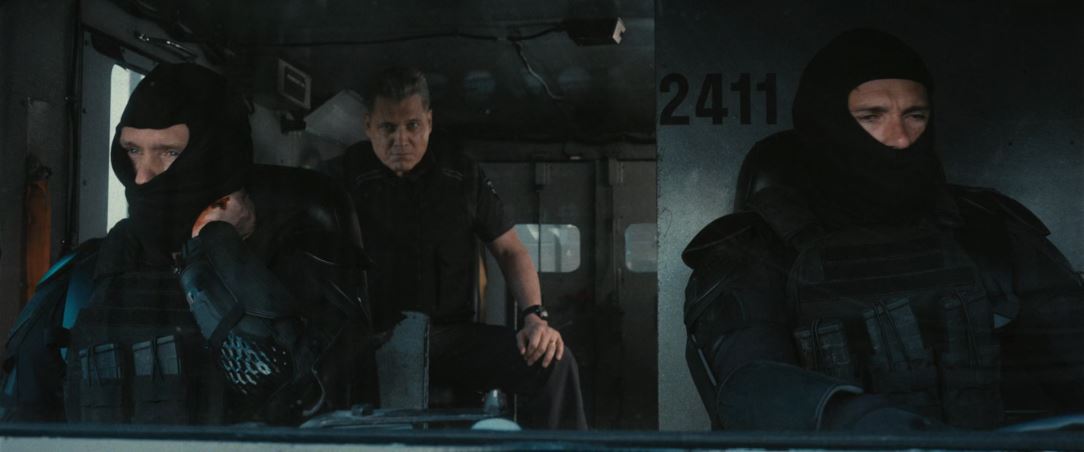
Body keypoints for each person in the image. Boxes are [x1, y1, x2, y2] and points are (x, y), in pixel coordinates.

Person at [682, 28, 1084, 431]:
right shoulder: (754, 248)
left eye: (915, 115)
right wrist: (867, 424)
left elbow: (1072, 340)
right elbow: (751, 386)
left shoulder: (987, 228)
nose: (901, 139)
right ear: (827, 122)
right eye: (872, 117)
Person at [1, 63, 374, 425]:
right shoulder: (81, 277)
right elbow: (19, 424)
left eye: (169, 152)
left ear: (215, 156)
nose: (142, 177)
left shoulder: (301, 263)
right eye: (133, 150)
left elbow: (313, 403)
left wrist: (217, 251)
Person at [323, 66, 587, 430]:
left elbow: (510, 250)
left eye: (412, 125)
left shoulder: (462, 176)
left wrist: (534, 317)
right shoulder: (340, 177)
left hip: (451, 338)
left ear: (429, 122)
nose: (401, 139)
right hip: (369, 339)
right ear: (368, 125)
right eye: (388, 127)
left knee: (553, 362)